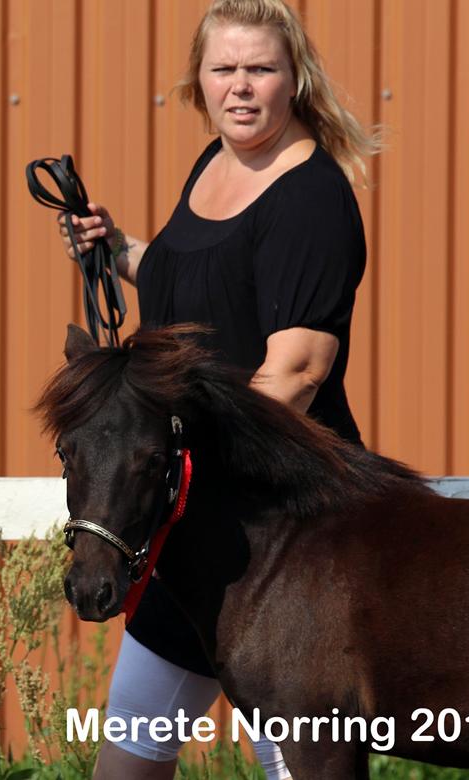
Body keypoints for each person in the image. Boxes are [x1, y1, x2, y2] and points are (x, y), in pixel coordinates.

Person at [57, 1, 378, 778]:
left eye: (260, 69)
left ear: (294, 78)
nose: (241, 88)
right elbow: (202, 287)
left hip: (284, 543)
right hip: (195, 535)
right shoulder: (215, 163)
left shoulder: (311, 198)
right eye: (223, 70)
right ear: (198, 82)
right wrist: (123, 250)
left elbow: (296, 373)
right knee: (128, 761)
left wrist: (189, 467)